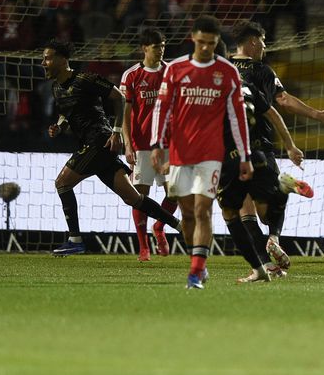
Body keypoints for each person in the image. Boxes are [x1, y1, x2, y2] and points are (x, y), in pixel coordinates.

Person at [42, 39, 181, 257]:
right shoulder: (56, 88)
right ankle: (179, 225)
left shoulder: (86, 79)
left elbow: (120, 97)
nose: (43, 62)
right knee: (133, 198)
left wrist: (116, 132)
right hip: (93, 145)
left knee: (62, 183)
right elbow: (66, 114)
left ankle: (75, 239)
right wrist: (60, 127)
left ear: (62, 59)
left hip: (100, 140)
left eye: (48, 58)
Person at [227, 21, 324, 274]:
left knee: (245, 212)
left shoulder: (221, 69)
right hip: (259, 144)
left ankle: (267, 262)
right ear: (254, 41)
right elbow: (283, 102)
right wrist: (318, 116)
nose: (265, 48)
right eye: (264, 42)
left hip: (229, 146)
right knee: (267, 211)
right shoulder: (261, 70)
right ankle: (273, 243)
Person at [151, 15, 251, 289]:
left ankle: (195, 272)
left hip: (211, 153)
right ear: (192, 38)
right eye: (201, 42)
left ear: (217, 42)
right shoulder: (175, 69)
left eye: (211, 43)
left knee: (203, 209)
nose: (206, 47)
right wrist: (157, 144)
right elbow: (163, 108)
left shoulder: (228, 72)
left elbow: (237, 117)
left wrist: (245, 156)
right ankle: (199, 261)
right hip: (180, 153)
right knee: (187, 215)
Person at [120, 28, 179, 261]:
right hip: (141, 143)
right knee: (139, 196)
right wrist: (127, 144)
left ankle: (159, 227)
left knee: (174, 192)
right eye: (157, 46)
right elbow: (124, 113)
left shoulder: (171, 72)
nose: (161, 50)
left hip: (167, 143)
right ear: (145, 48)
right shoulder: (132, 75)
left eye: (163, 46)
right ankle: (143, 247)